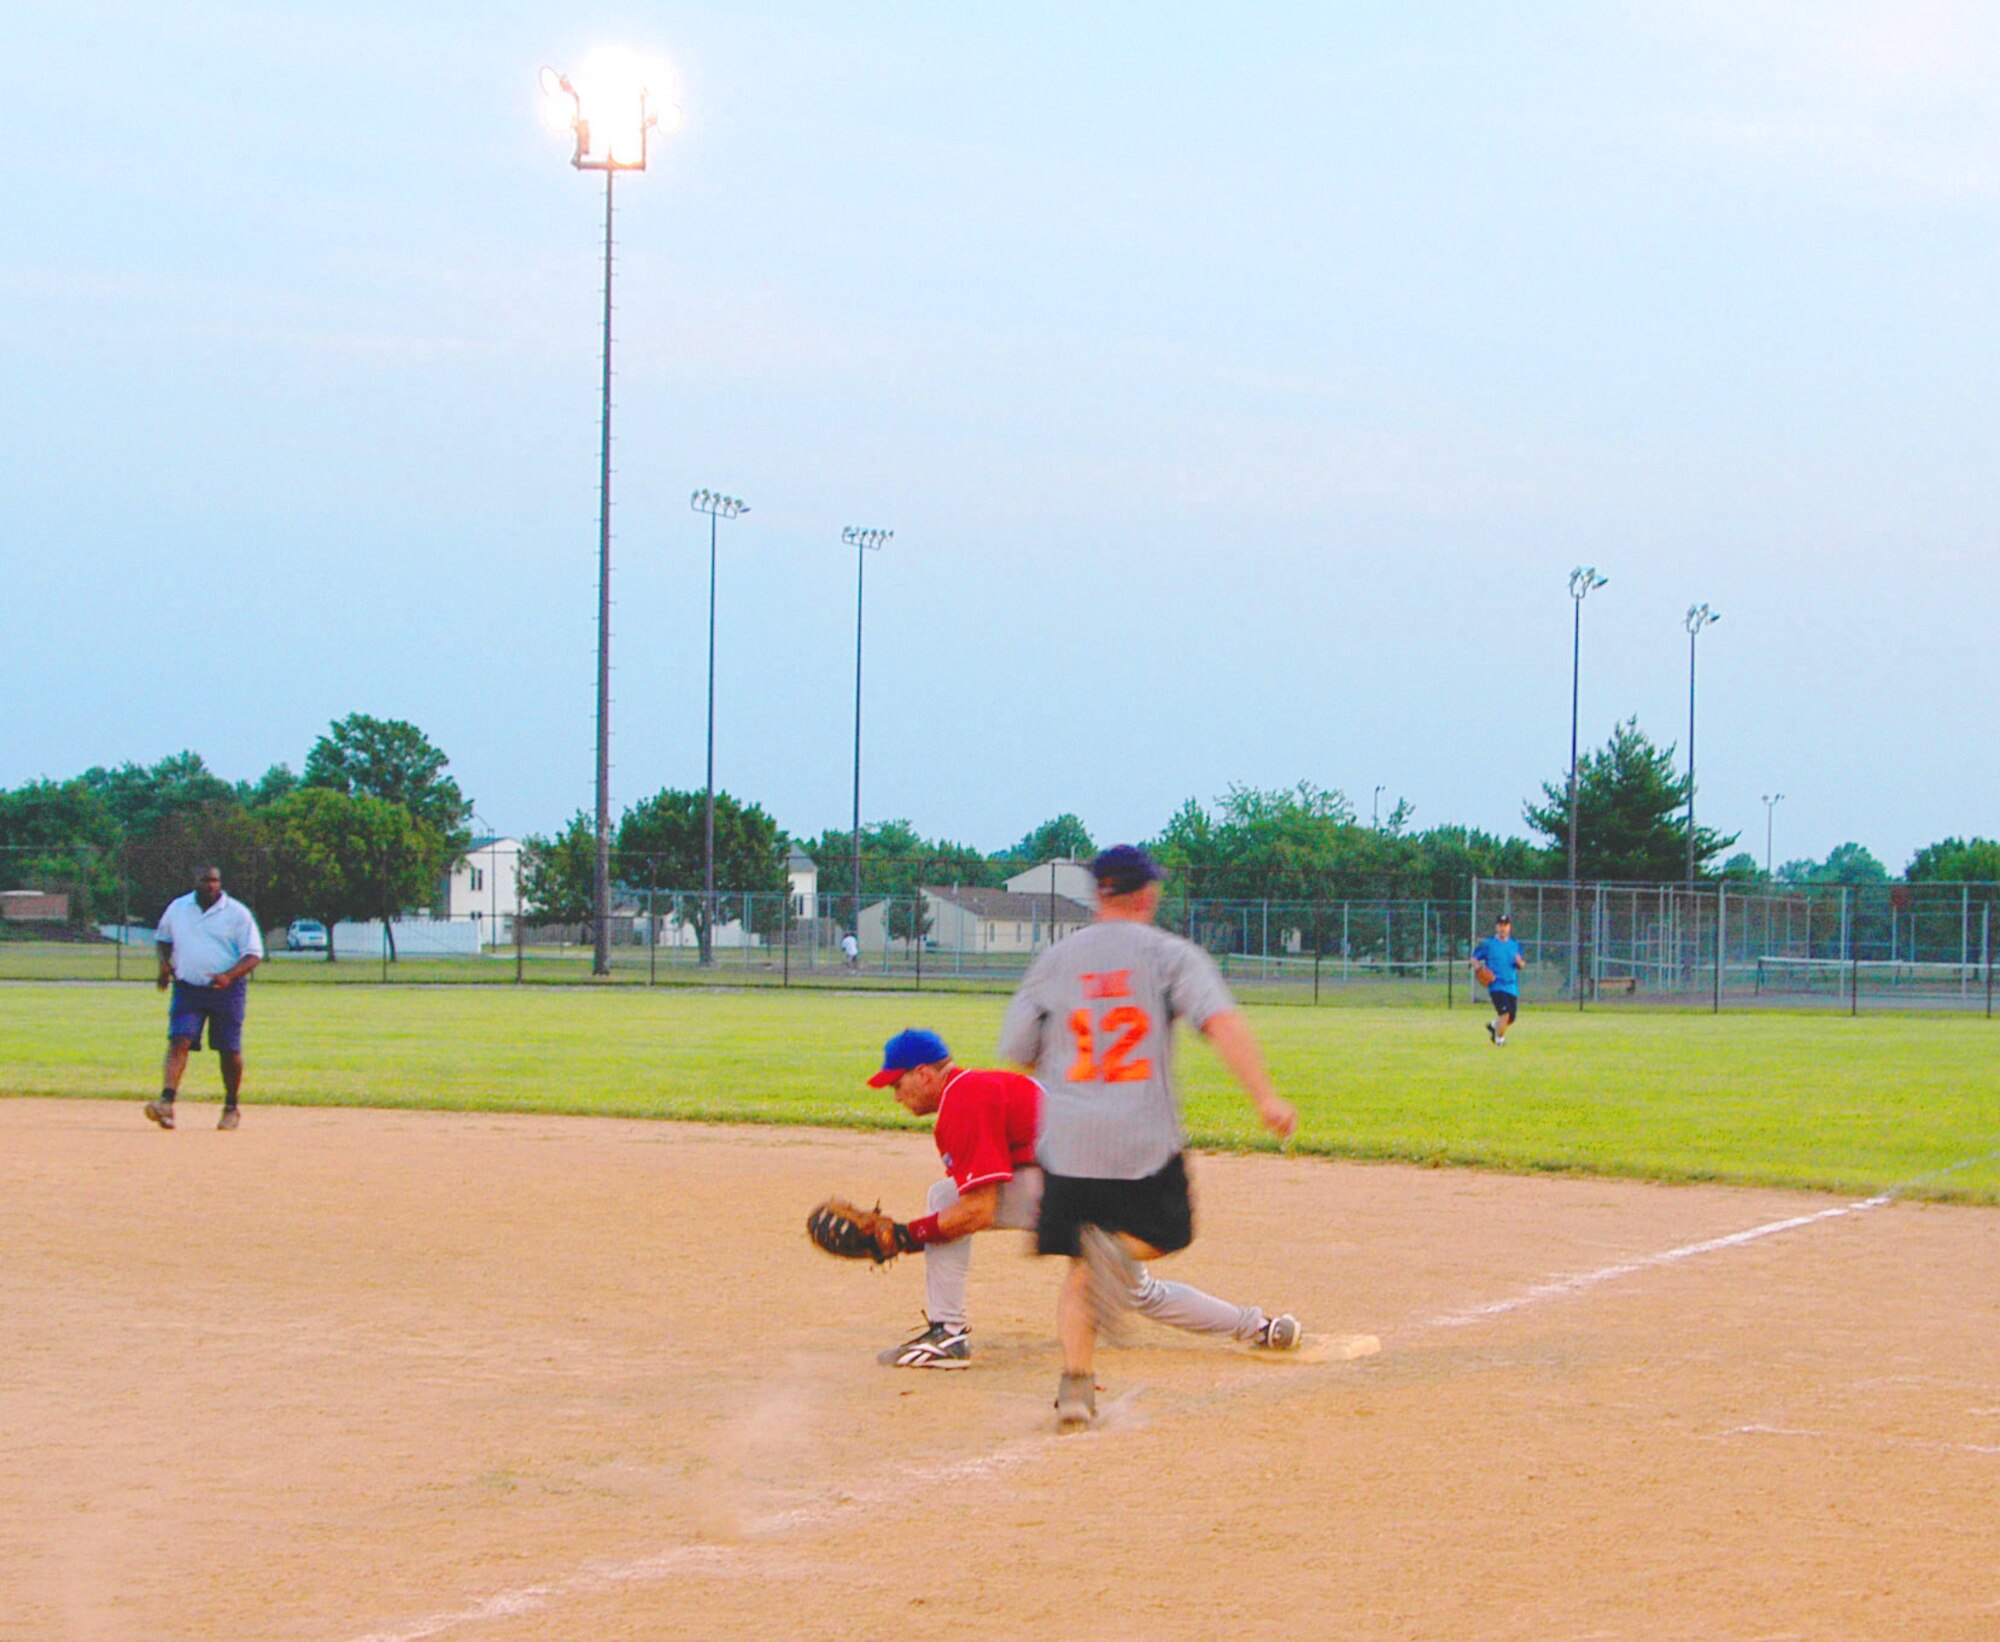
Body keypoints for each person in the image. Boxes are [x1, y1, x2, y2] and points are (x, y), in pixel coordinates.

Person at [997, 844, 1298, 1432]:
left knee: (1081, 1267)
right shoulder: (1169, 954)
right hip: (1142, 1140)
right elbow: (1221, 1024)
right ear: (1148, 893)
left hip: (1070, 1143)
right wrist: (1264, 1096)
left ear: (1098, 892)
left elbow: (1019, 1052)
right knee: (1165, 1233)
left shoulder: (1054, 960)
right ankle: (1118, 1253)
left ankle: (1076, 1390)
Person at [862, 1027, 1303, 1369]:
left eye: (897, 1085)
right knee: (1137, 1290)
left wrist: (904, 1235)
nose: (896, 1096)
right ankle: (1260, 1327)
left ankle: (947, 1334)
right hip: (1110, 1179)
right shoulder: (980, 1088)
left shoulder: (964, 1101)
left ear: (923, 1074)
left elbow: (979, 1210)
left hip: (1087, 1187)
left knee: (947, 1198)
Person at [146, 864, 264, 1130]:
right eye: (205, 880)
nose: (211, 885)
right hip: (188, 987)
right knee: (179, 1040)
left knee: (228, 1049)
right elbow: (163, 938)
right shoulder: (179, 908)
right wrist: (165, 966)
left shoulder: (236, 913)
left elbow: (254, 953)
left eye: (215, 881)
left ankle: (231, 1107)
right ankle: (166, 1103)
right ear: (195, 881)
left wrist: (229, 976)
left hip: (226, 991)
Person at [1471, 912, 1526, 1047]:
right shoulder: (1489, 944)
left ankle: (1494, 1025)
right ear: (1496, 927)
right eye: (1500, 925)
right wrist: (1479, 968)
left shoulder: (1514, 944)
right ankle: (1499, 1040)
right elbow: (1474, 958)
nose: (1503, 928)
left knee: (1511, 1017)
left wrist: (1520, 963)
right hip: (1496, 985)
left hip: (1511, 985)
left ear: (1509, 927)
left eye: (1505, 925)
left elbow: (1521, 964)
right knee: (1505, 1013)